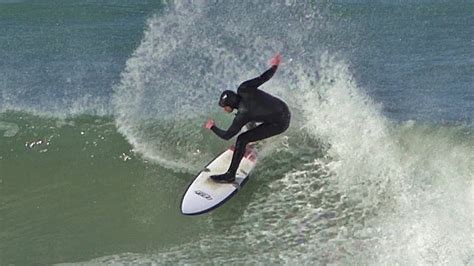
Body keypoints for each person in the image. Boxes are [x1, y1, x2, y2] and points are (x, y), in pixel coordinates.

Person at [204, 53, 291, 183]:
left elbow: (227, 135)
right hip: (283, 108)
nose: (224, 109)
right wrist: (274, 66)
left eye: (225, 106)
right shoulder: (244, 88)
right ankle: (255, 141)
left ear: (230, 105)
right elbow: (263, 77)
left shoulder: (242, 114)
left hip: (280, 123)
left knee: (241, 139)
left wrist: (212, 127)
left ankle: (230, 175)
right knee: (252, 118)